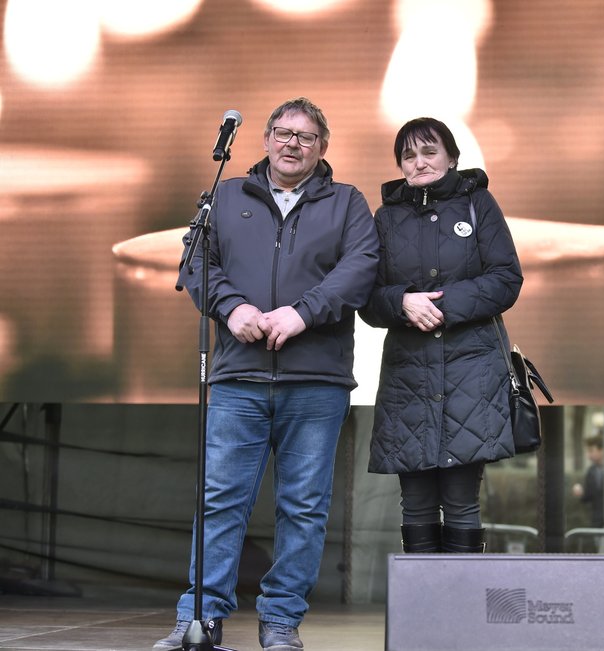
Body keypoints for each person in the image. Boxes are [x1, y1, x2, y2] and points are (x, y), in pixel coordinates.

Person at [155, 97, 380, 651]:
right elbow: (195, 263)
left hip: (316, 381)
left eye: (306, 136)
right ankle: (199, 621)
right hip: (238, 380)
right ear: (263, 140)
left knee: (303, 507)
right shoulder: (225, 196)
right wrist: (232, 307)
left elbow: (361, 268)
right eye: (282, 133)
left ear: (323, 147)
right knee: (220, 500)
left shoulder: (348, 202)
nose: (292, 143)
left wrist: (303, 311)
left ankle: (281, 623)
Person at [359, 117, 523, 554]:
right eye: (409, 156)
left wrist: (438, 306)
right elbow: (367, 298)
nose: (419, 162)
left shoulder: (479, 203)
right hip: (409, 378)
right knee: (413, 503)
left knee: (461, 499)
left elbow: (506, 279)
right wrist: (401, 302)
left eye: (429, 152)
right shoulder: (385, 217)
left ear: (451, 157)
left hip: (472, 374)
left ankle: (461, 615)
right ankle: (422, 616)